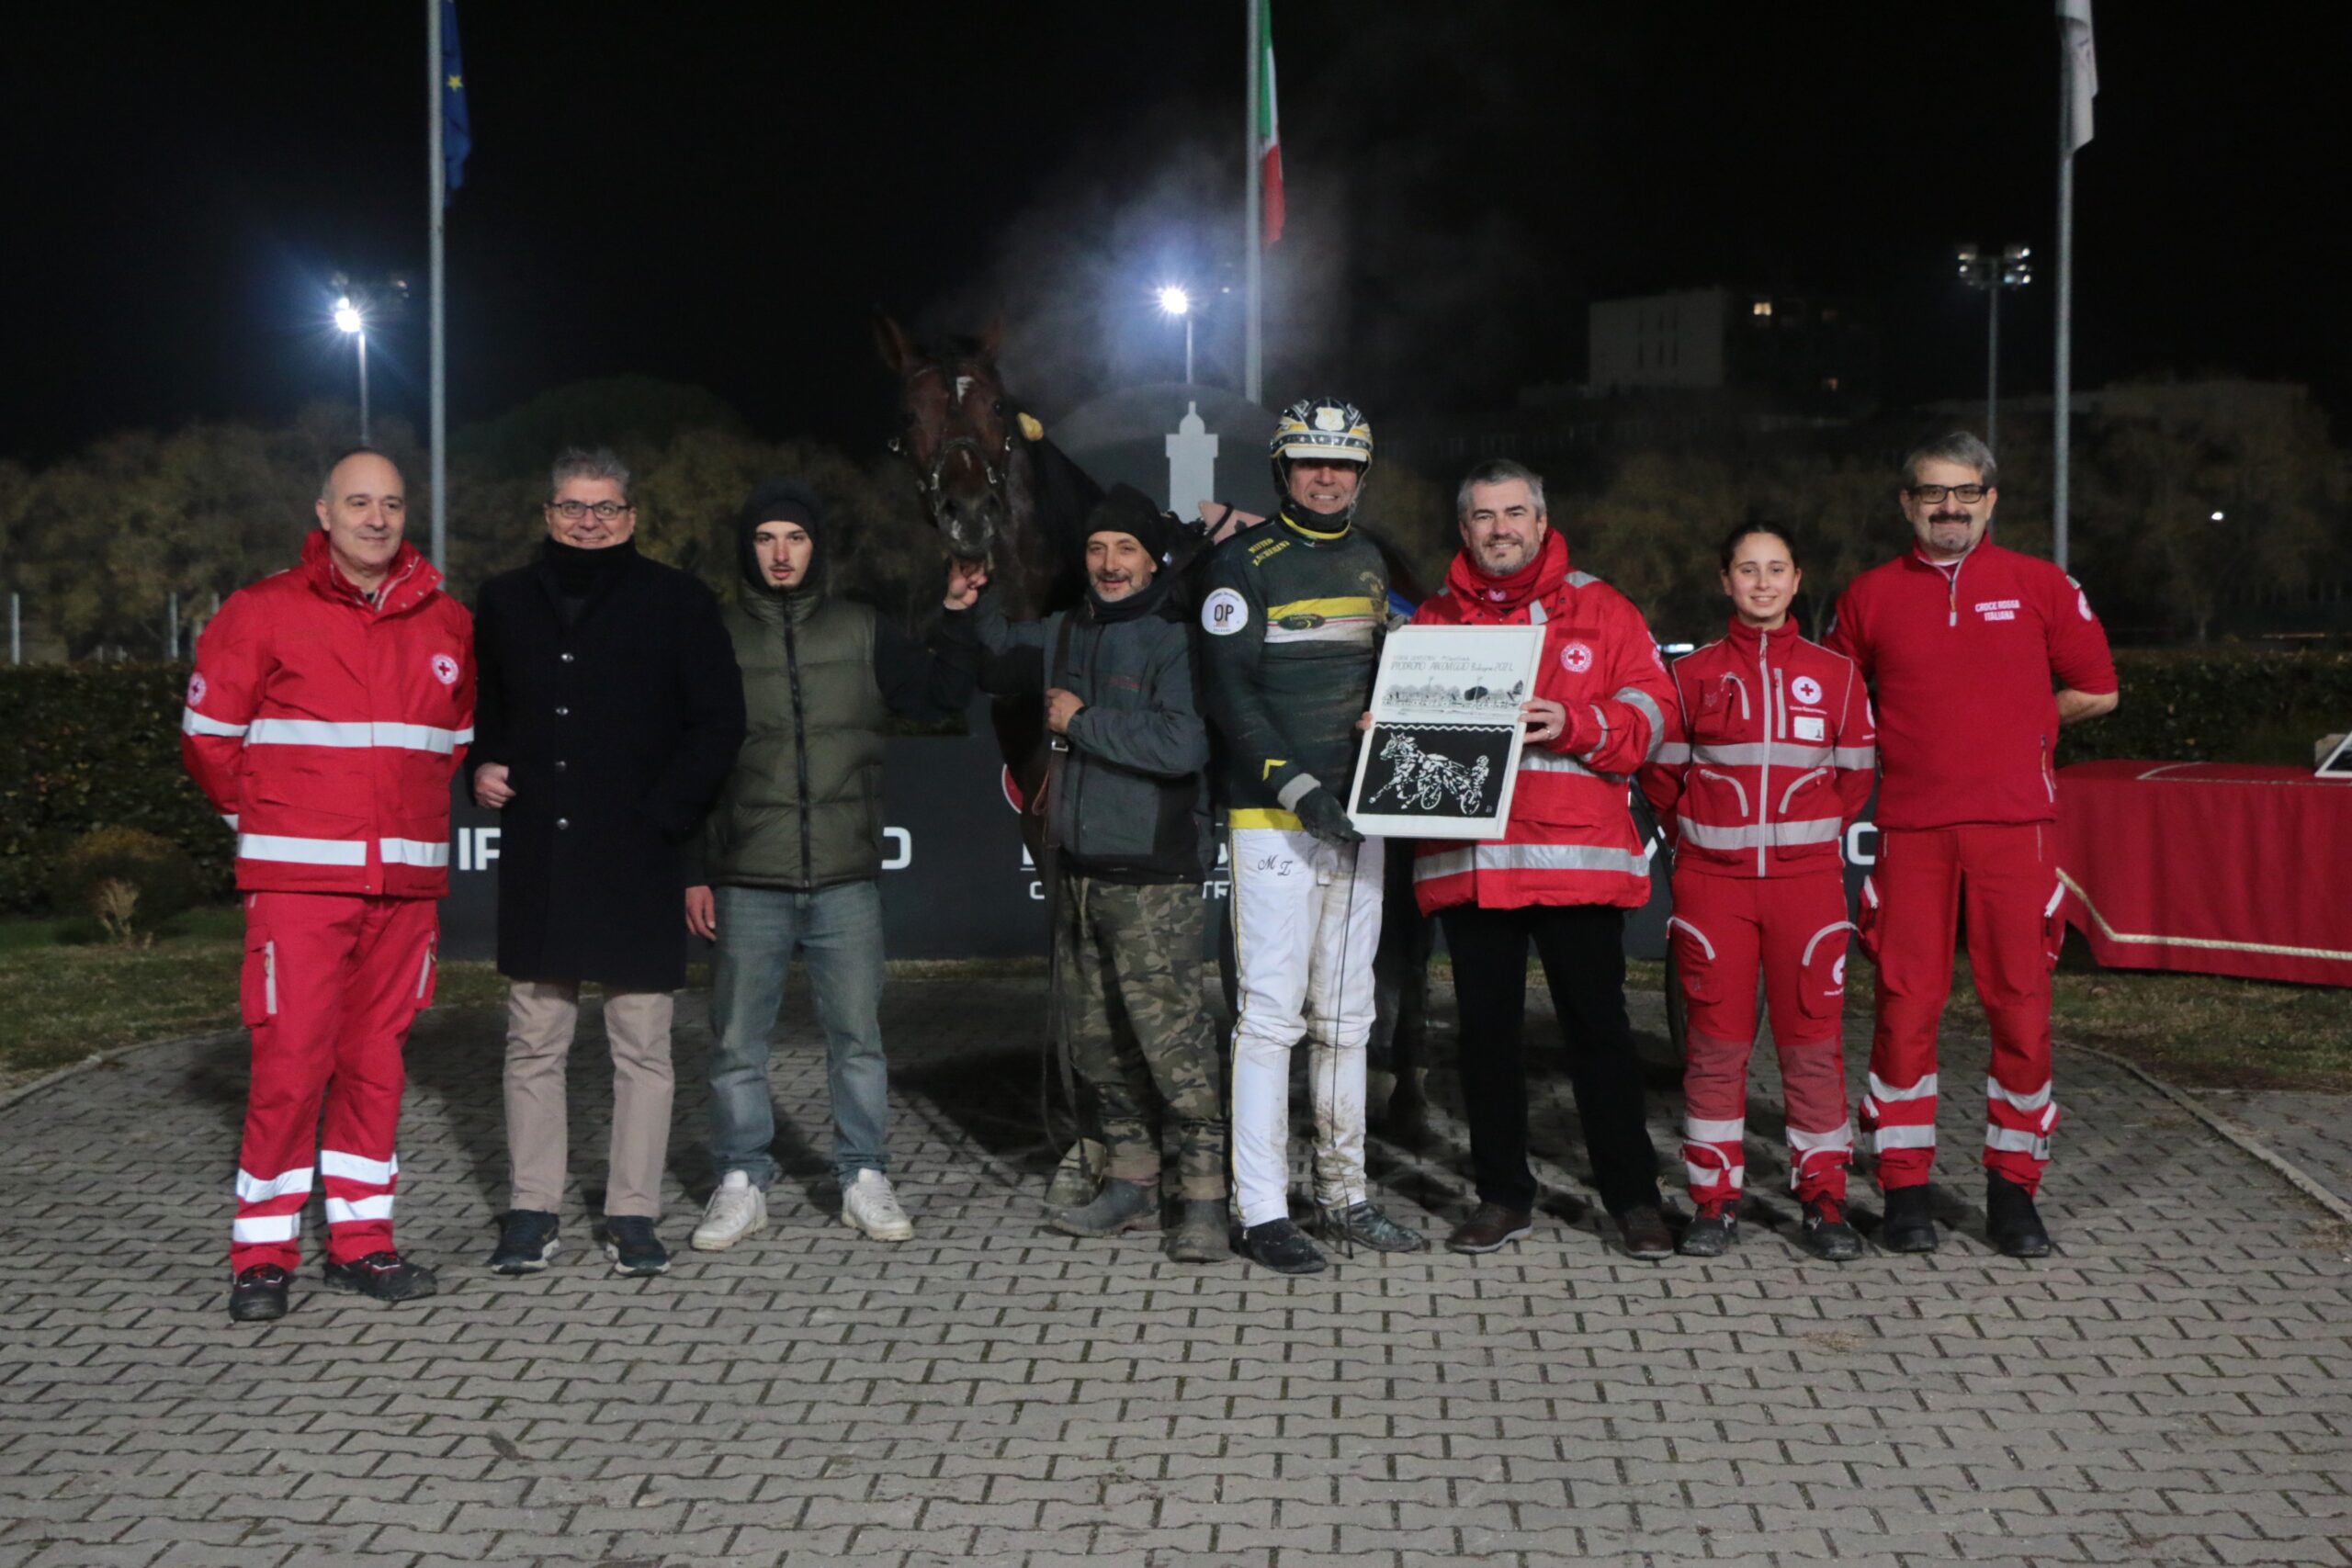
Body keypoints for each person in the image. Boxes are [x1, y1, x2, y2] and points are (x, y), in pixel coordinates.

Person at [182, 447, 474, 1322]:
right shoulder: (261, 610)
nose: (376, 518)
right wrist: (271, 824)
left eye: (390, 502)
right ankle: (263, 1253)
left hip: (406, 891)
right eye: (358, 502)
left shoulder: (448, 621)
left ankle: (362, 1240)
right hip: (301, 887)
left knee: (375, 1066)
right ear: (323, 512)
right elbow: (207, 738)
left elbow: (451, 745)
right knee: (290, 1064)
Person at [1826, 432, 2118, 1258]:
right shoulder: (1869, 596)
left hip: (2015, 829)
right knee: (1904, 1010)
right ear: (1906, 502)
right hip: (1912, 831)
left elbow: (2097, 690)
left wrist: (2022, 722)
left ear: (1991, 498)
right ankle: (1905, 1186)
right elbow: (1843, 708)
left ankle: (2013, 1190)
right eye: (1931, 493)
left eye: (1964, 492)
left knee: (2020, 1009)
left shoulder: (2040, 584)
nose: (1948, 507)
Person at [469, 447, 745, 1279]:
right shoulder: (505, 600)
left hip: (638, 859)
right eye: (572, 507)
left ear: (631, 515)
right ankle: (532, 1209)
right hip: (542, 855)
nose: (588, 521)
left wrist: (663, 817)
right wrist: (480, 762)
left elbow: (719, 724)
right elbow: (484, 708)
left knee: (642, 1046)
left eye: (606, 508)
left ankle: (633, 1213)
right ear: (548, 513)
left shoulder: (679, 600)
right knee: (534, 1040)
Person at [686, 479, 978, 1250]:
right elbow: (684, 760)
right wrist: (692, 868)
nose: (781, 553)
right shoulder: (713, 634)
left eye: (796, 537)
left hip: (846, 876)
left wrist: (955, 613)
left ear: (816, 548)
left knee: (857, 1039)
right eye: (766, 538)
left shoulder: (862, 627)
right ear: (748, 549)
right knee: (736, 1044)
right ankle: (742, 1179)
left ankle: (863, 1175)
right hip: (749, 874)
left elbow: (940, 696)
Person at [1410, 458, 1678, 1259]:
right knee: (1485, 1040)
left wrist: (1574, 721)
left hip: (1576, 863)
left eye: (1515, 513)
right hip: (1475, 864)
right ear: (1465, 530)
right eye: (1485, 517)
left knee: (1599, 1037)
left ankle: (1634, 1199)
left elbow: (1652, 719)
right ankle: (1502, 1196)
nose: (1501, 529)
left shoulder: (1603, 608)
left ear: (1542, 519)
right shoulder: (1430, 621)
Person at [954, 484, 1228, 1262]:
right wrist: (969, 603)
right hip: (1077, 870)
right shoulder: (1069, 628)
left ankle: (1204, 1196)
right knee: (1098, 1042)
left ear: (1150, 561)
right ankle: (1132, 1180)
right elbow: (1001, 647)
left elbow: (1184, 746)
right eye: (1098, 550)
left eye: (1125, 551)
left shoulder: (1176, 635)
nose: (1109, 564)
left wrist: (1082, 722)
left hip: (1154, 877)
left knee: (1171, 1042)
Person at [1198, 396, 1424, 1275]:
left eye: (1341, 464)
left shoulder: (1373, 561)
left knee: (1349, 1015)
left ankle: (1344, 1192)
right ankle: (1261, 1211)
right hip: (1272, 821)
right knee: (1268, 1017)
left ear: (1361, 474)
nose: (1325, 477)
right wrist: (1298, 790)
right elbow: (1230, 698)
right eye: (1308, 462)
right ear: (1282, 471)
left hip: (1361, 817)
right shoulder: (1239, 566)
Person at [1641, 523, 1875, 1261]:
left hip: (1807, 890)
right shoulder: (1691, 676)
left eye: (1777, 569)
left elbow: (1854, 777)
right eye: (1748, 569)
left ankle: (1825, 1199)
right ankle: (1713, 1200)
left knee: (1814, 1048)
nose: (1763, 583)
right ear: (1726, 581)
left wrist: (1800, 840)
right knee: (1714, 1050)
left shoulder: (1836, 675)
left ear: (1798, 579)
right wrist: (1707, 840)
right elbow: (1662, 779)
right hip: (1716, 890)